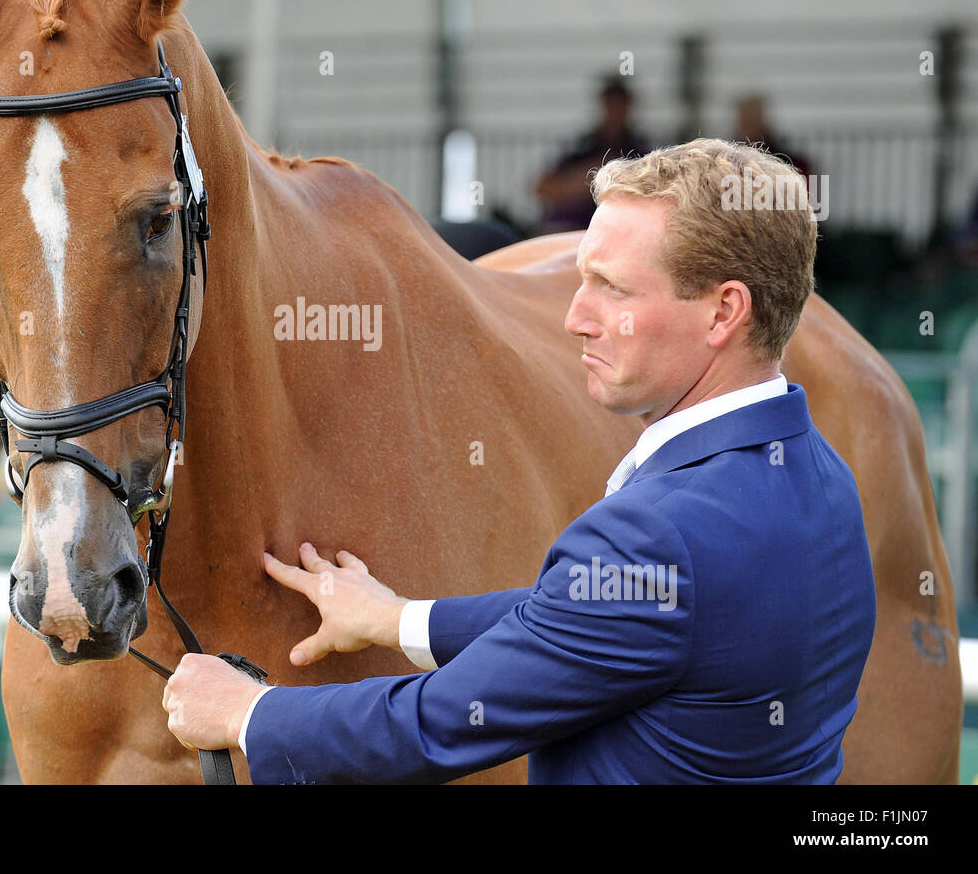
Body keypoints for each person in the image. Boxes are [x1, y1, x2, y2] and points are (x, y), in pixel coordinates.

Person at [162, 138, 876, 784]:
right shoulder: (824, 477)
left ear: (724, 313)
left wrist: (251, 714)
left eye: (613, 288)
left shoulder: (656, 538)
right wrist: (402, 620)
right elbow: (607, 617)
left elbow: (436, 724)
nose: (575, 316)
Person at [533, 76, 649, 234]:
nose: (615, 111)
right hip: (570, 229)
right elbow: (542, 187)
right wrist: (588, 179)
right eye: (611, 104)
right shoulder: (582, 147)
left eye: (620, 105)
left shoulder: (639, 151)